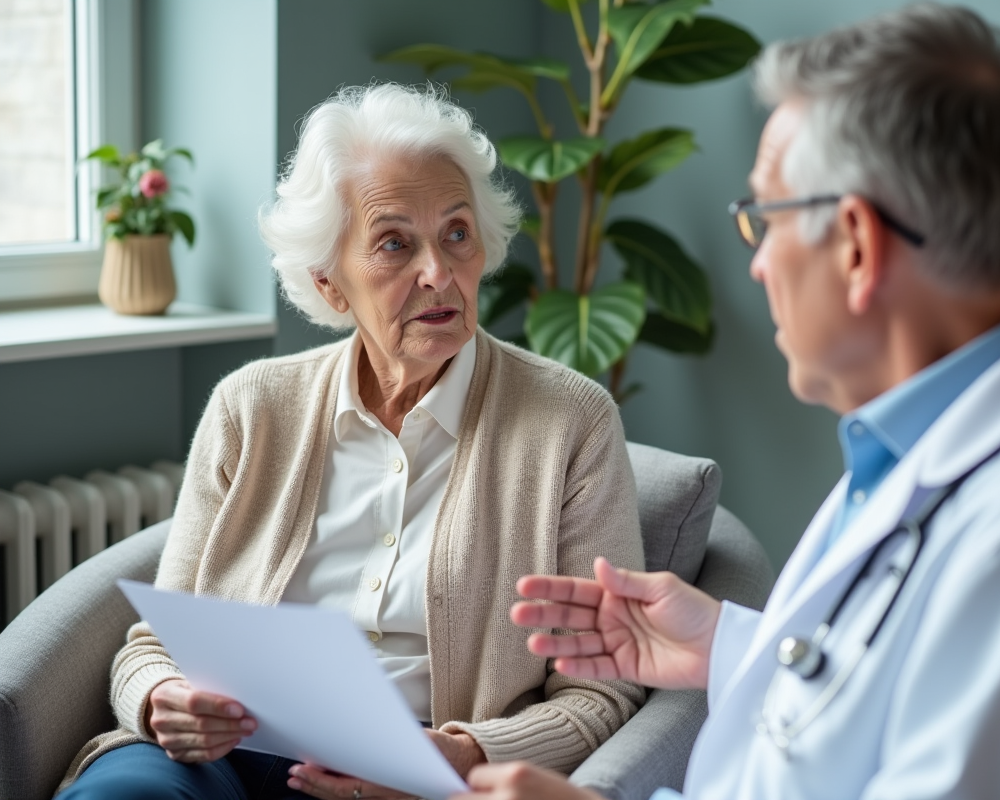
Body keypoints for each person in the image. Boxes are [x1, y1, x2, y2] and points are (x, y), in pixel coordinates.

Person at [451, 5, 1000, 800]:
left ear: (856, 244)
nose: (758, 265)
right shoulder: (925, 440)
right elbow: (891, 690)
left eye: (764, 220)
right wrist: (733, 646)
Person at [57, 84, 645, 800]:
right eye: (395, 243)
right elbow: (155, 642)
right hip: (225, 754)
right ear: (330, 285)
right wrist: (162, 700)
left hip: (419, 769)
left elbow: (602, 694)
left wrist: (458, 757)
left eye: (457, 233)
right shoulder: (251, 407)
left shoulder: (571, 423)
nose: (438, 272)